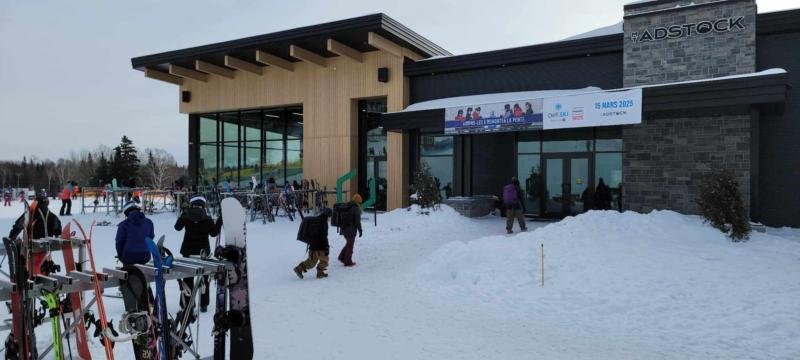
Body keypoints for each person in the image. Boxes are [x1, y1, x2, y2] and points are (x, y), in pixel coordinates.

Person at [174, 196, 222, 313]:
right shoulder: (207, 218)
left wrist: (182, 215)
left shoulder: (186, 216)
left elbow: (177, 228)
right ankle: (204, 304)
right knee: (204, 278)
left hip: (188, 251)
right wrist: (220, 221)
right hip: (203, 252)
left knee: (188, 278)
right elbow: (214, 233)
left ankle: (187, 304)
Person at [294, 208, 332, 279]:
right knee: (325, 261)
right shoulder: (323, 223)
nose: (330, 218)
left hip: (312, 245)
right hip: (320, 246)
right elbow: (323, 237)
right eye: (330, 216)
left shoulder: (316, 220)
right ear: (328, 215)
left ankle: (299, 269)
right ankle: (320, 273)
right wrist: (326, 247)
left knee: (311, 262)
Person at [115, 201, 154, 266]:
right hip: (145, 256)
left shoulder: (123, 225)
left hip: (128, 257)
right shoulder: (149, 222)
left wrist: (120, 255)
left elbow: (119, 242)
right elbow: (151, 237)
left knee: (129, 274)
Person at [337, 195, 363, 267]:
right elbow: (357, 222)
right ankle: (348, 262)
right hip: (350, 230)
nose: (360, 204)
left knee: (348, 244)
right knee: (350, 246)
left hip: (344, 228)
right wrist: (360, 230)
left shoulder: (347, 205)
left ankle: (342, 258)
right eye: (360, 202)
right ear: (358, 201)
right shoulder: (355, 208)